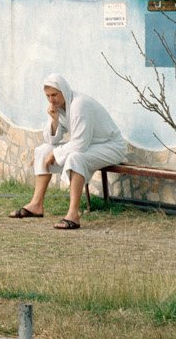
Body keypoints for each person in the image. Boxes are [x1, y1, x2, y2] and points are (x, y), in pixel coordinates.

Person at [9, 73, 127, 231]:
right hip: (90, 144)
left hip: (111, 146)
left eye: (55, 95)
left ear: (64, 91)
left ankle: (73, 214)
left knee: (75, 158)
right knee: (43, 150)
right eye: (48, 96)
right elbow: (51, 140)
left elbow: (80, 144)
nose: (52, 100)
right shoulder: (58, 107)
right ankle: (36, 204)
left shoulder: (80, 105)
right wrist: (54, 120)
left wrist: (56, 154)